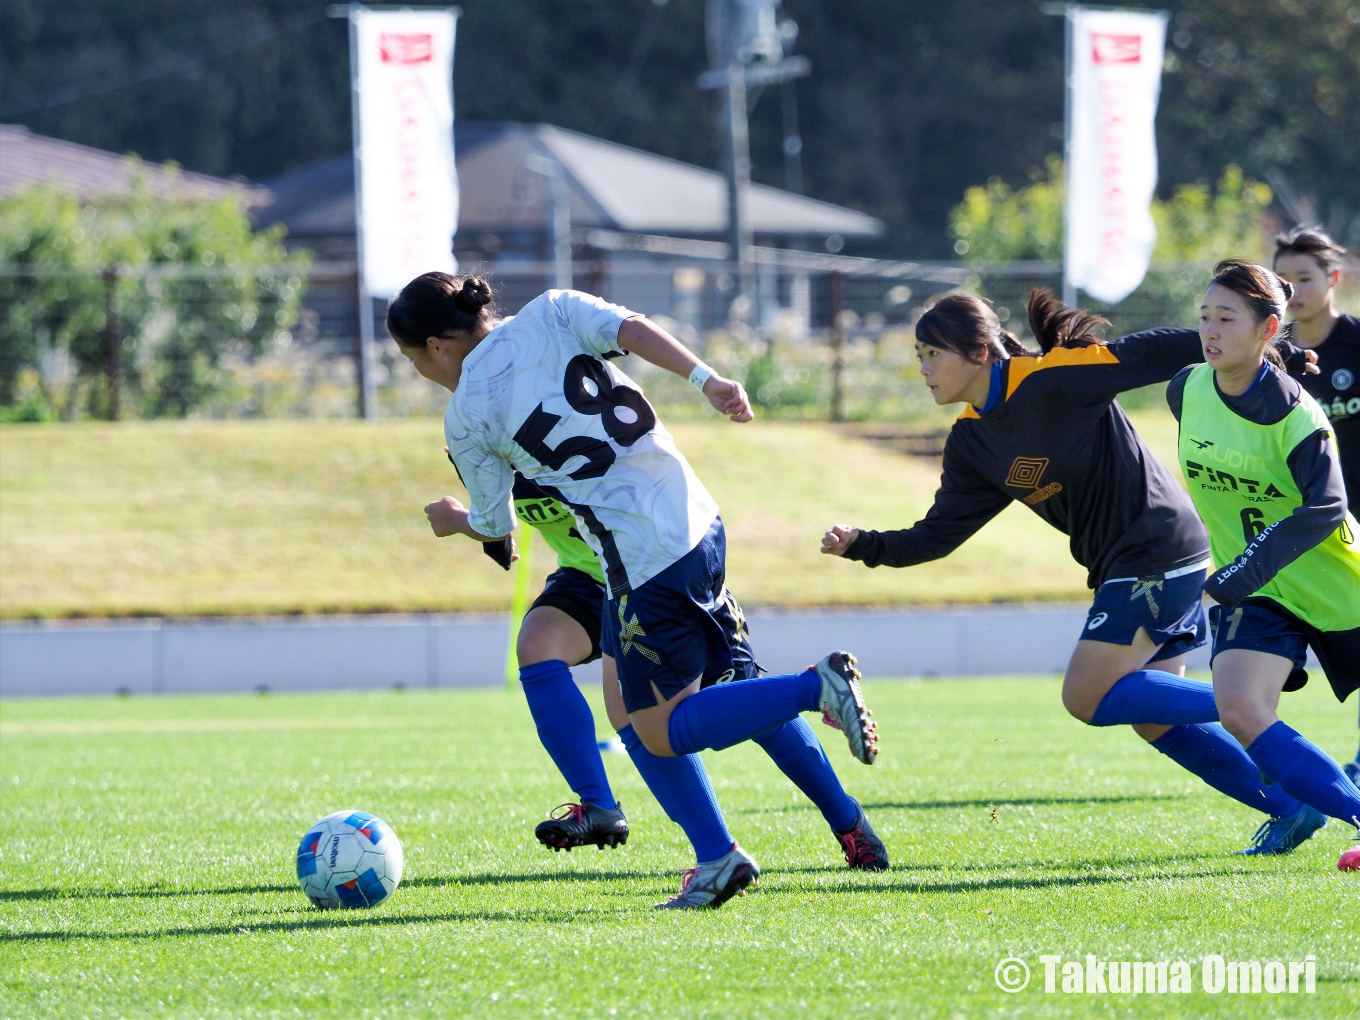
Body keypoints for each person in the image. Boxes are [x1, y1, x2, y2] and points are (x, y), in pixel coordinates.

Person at [390, 273, 879, 909]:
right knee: (627, 706)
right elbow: (636, 329)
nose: (421, 374)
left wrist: (456, 519)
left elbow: (491, 522)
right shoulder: (554, 310)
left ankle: (818, 694)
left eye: (411, 361)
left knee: (666, 728)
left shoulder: (468, 414)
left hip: (641, 558)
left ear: (435, 345)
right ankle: (711, 855)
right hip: (693, 520)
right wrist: (710, 381)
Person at [821, 287, 1325, 855]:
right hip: (1126, 560)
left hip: (1156, 543)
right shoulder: (971, 441)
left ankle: (1245, 699)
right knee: (1155, 720)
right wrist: (866, 544)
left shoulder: (1052, 377)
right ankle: (1291, 801)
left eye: (932, 354)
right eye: (919, 355)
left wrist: (1256, 350)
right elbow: (938, 535)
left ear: (980, 350)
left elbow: (1148, 353)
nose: (923, 369)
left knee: (1085, 696)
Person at [472, 465, 889, 871]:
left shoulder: (545, 417)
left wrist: (707, 387)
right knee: (555, 660)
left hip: (657, 561)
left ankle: (844, 818)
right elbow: (498, 520)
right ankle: (616, 811)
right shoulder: (473, 432)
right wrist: (478, 522)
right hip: (595, 575)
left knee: (750, 708)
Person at [1168, 258, 1360, 873]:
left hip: (1338, 588)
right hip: (1260, 595)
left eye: (1227, 318)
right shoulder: (1186, 390)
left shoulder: (1296, 415)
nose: (1210, 330)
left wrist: (1240, 572)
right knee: (1242, 711)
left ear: (1267, 328)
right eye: (1204, 317)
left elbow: (1327, 508)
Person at [1272, 227, 1360, 786]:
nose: (1293, 291)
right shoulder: (1270, 356)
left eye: (1304, 278)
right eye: (1283, 281)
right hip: (1303, 529)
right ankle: (1291, 773)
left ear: (1333, 279)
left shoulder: (1357, 344)